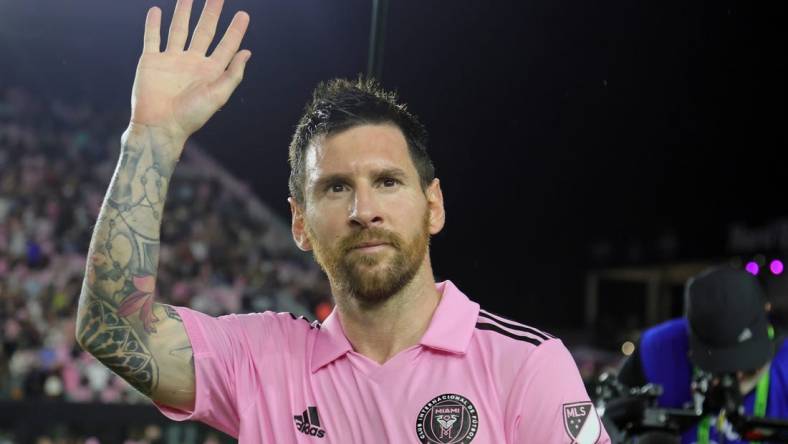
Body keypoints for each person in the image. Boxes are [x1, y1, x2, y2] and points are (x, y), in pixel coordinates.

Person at [75, 0, 610, 442]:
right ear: (300, 224)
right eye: (336, 188)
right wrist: (152, 139)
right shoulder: (260, 361)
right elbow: (112, 329)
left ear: (435, 205)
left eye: (388, 181)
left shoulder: (527, 366)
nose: (363, 211)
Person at [617, 267, 788, 443]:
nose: (736, 376)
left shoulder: (784, 366)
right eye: (720, 369)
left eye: (748, 367)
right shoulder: (655, 350)